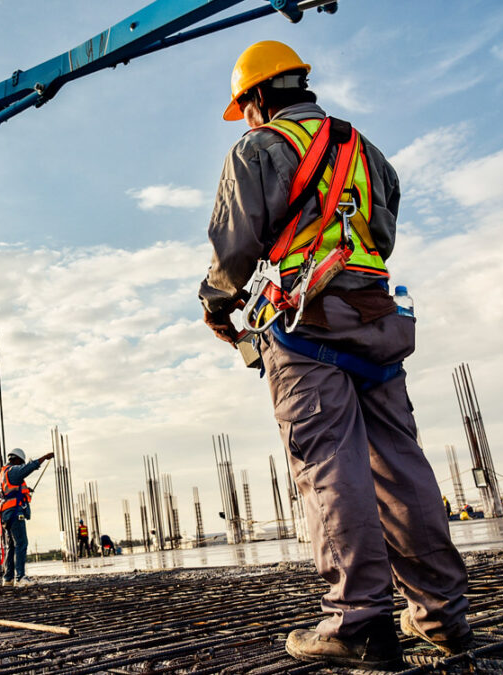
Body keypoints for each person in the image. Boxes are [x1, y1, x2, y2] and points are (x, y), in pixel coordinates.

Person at [198, 41, 472, 668]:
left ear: (259, 95)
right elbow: (383, 234)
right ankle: (444, 617)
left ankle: (361, 622)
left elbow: (235, 246)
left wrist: (215, 305)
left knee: (329, 465)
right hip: (375, 318)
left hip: (303, 325)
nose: (244, 117)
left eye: (244, 105)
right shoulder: (367, 152)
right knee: (402, 465)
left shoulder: (259, 149)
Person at [0, 447, 53, 587]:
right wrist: (44, 457)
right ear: (16, 460)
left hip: (6, 515)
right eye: (21, 462)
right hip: (15, 514)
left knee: (11, 546)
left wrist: (26, 490)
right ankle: (20, 577)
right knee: (21, 544)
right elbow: (28, 468)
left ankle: (8, 578)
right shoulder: (13, 470)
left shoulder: (3, 473)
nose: (21, 465)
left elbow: (10, 492)